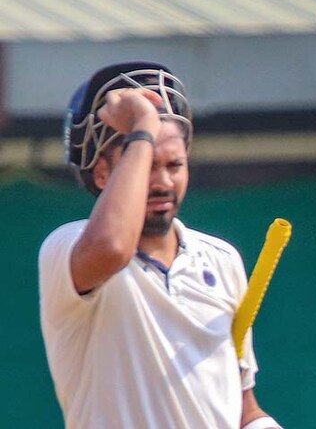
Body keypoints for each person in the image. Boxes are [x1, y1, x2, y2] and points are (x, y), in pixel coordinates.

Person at [38, 62, 281, 429]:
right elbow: (113, 246)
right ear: (102, 173)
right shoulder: (68, 246)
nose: (164, 182)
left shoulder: (221, 259)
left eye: (174, 165)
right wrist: (142, 126)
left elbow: (243, 406)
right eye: (148, 164)